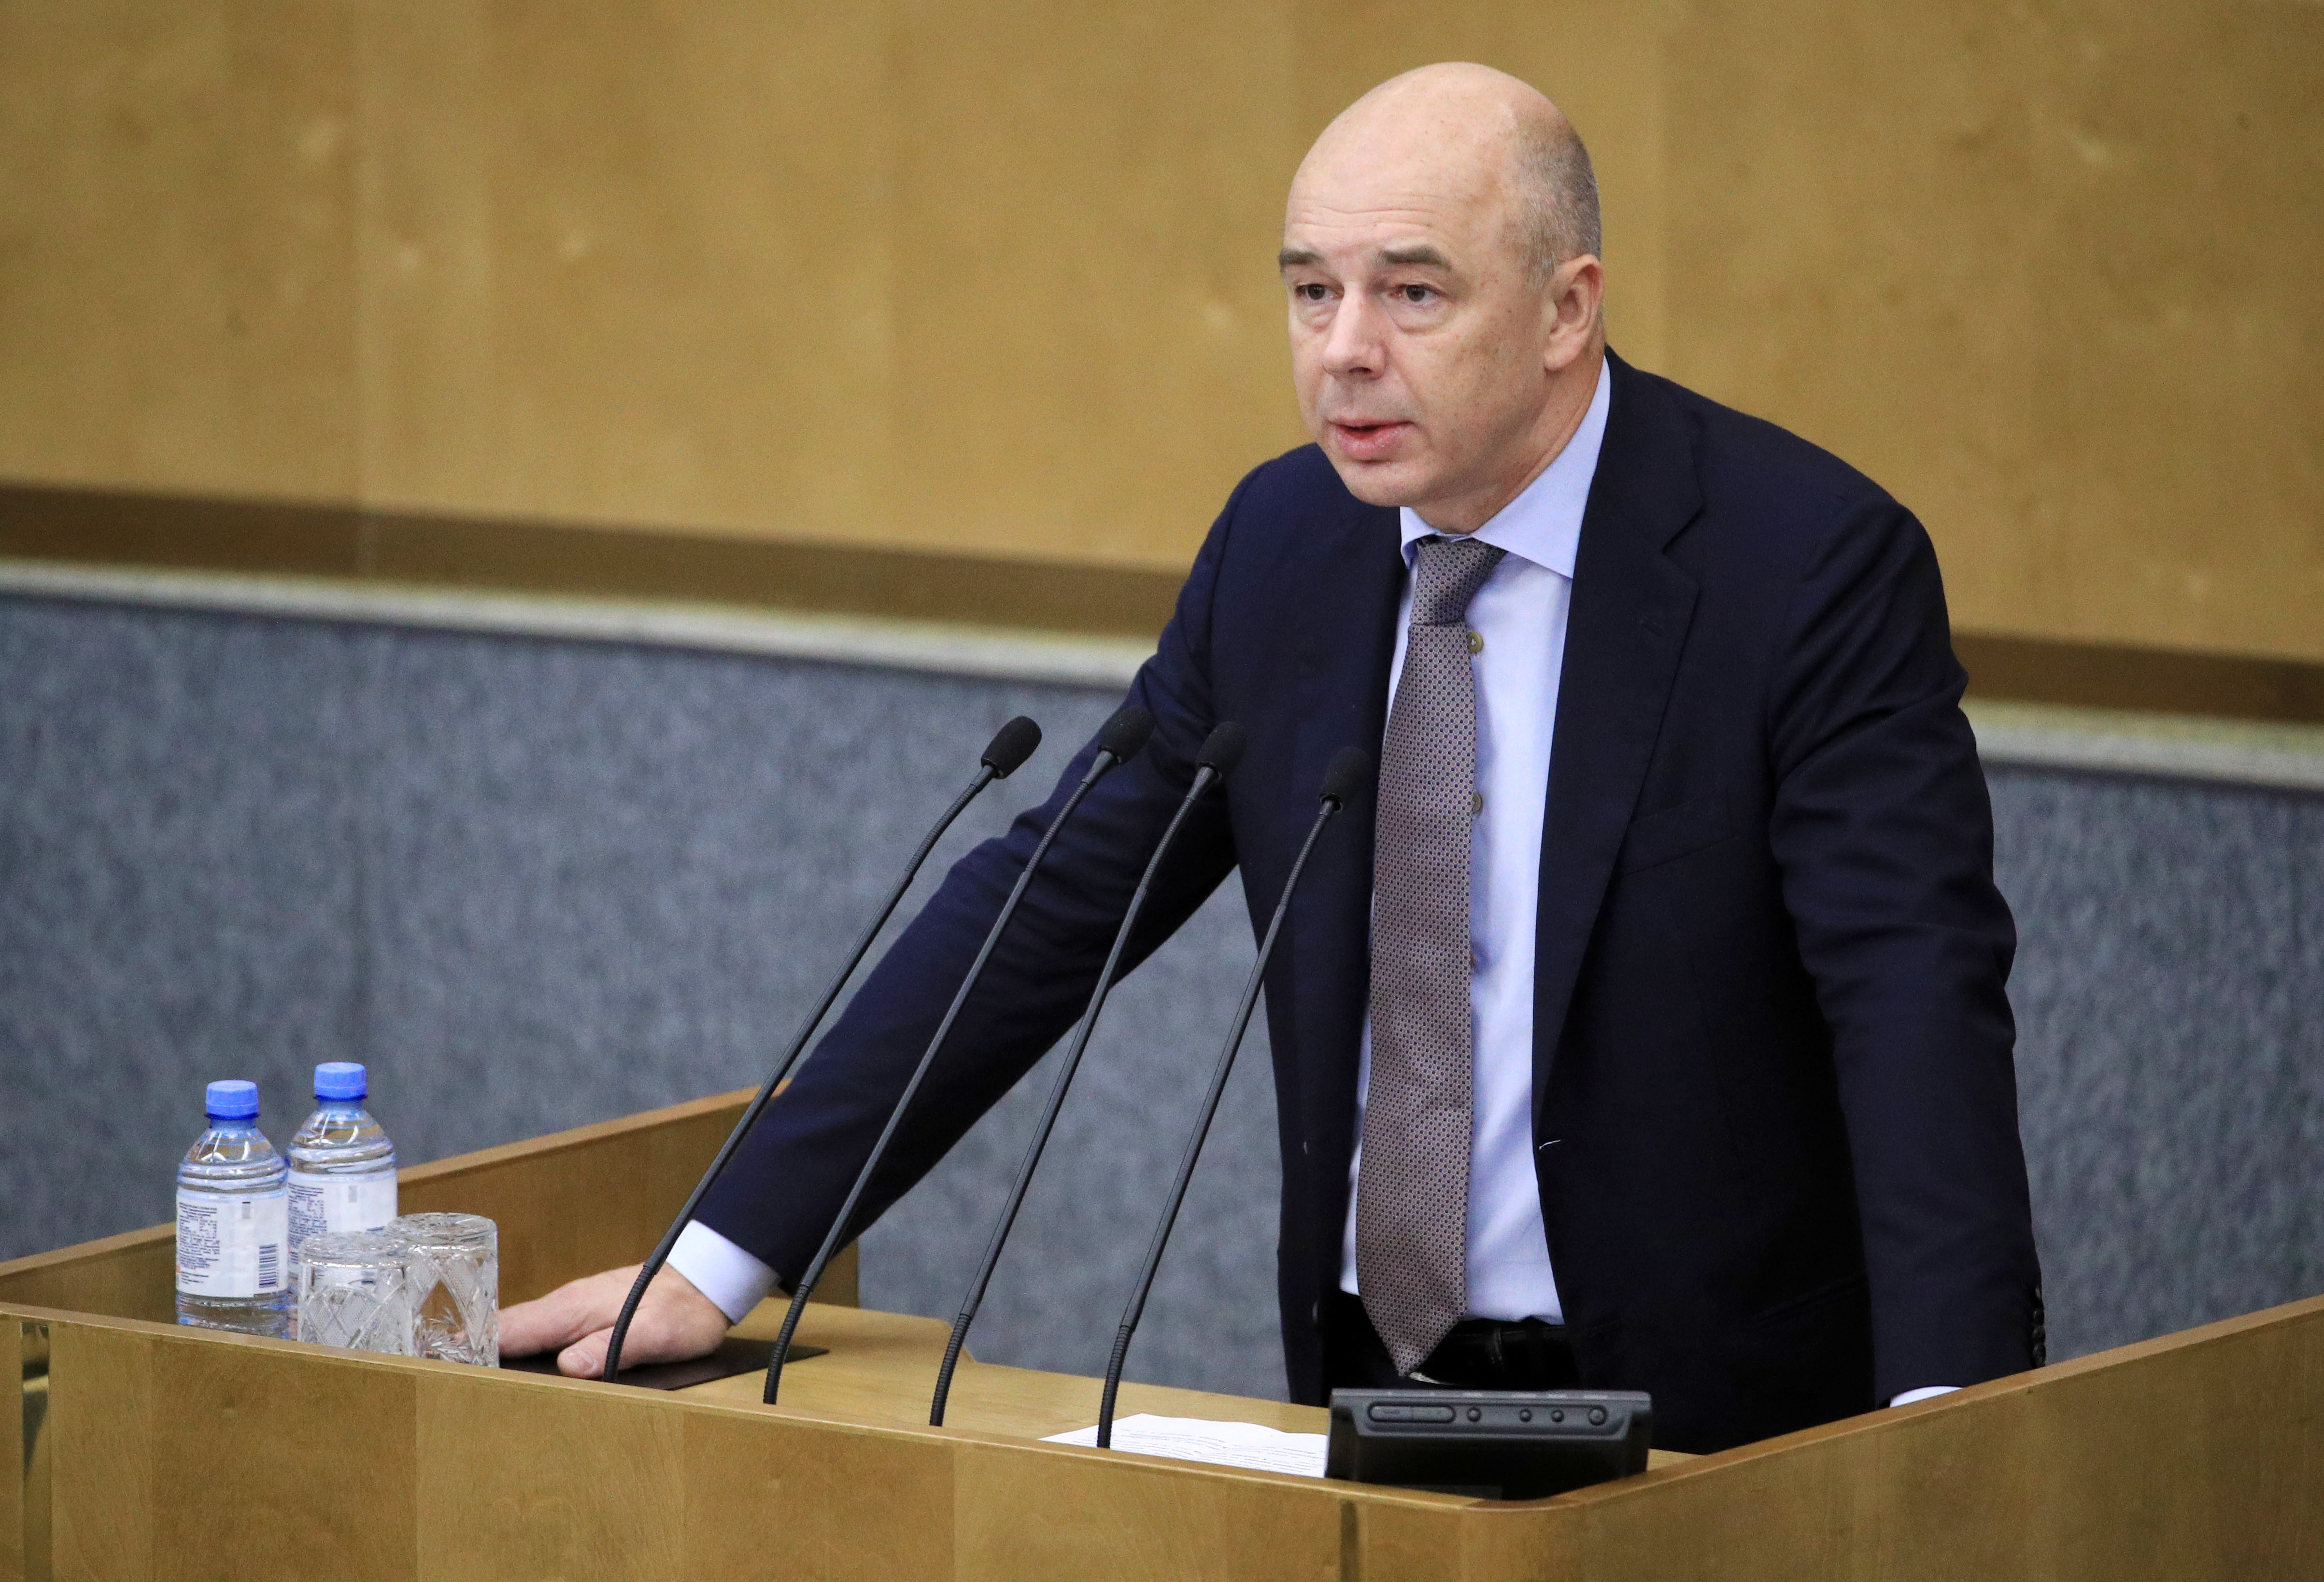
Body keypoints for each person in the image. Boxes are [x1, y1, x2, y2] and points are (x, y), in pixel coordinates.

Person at [502, 62, 2042, 1454]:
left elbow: (1910, 993)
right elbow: (1046, 909)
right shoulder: (1284, 542)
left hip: (1720, 1421)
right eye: (1311, 292)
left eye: (1411, 293)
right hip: (1364, 1382)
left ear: (1566, 309)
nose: (1343, 353)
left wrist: (1949, 1429)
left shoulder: (1801, 564)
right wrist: (717, 1259)